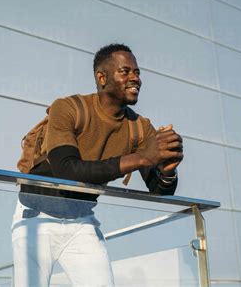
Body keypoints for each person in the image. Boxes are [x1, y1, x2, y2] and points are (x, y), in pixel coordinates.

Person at [12, 43, 183, 286]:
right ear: (102, 78)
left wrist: (168, 169)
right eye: (125, 72)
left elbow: (159, 190)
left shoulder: (140, 127)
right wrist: (143, 157)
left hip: (81, 220)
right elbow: (67, 170)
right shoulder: (68, 107)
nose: (135, 78)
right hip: (36, 217)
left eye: (137, 72)